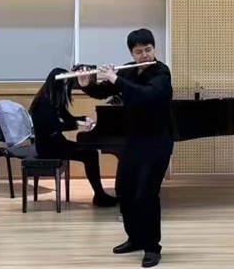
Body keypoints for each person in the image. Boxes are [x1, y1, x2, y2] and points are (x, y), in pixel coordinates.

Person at [79, 28, 173, 268]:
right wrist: (87, 85)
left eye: (148, 50)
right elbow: (104, 91)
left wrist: (116, 79)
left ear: (154, 48)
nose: (144, 55)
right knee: (124, 189)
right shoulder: (129, 69)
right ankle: (135, 238)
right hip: (133, 141)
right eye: (138, 51)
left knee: (146, 195)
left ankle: (152, 247)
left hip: (157, 142)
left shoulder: (161, 72)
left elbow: (147, 95)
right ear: (132, 52)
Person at [28, 67, 119, 207]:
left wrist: (83, 118)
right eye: (65, 84)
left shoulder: (54, 99)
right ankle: (99, 195)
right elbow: (55, 126)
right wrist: (78, 124)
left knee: (90, 153)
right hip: (48, 148)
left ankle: (99, 194)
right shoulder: (43, 103)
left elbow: (68, 118)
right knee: (90, 154)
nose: (66, 88)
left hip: (57, 143)